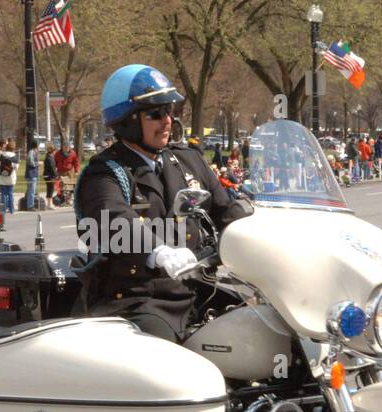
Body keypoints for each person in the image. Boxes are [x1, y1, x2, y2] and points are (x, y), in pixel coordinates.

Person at [75, 64, 253, 342]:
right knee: (171, 368)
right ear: (128, 121)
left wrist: (256, 226)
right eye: (155, 114)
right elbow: (116, 220)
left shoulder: (187, 160)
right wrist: (159, 251)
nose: (167, 120)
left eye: (169, 111)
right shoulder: (107, 172)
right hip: (139, 300)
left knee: (260, 328)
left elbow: (225, 208)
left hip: (197, 290)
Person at [0, 138, 17, 213]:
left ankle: (3, 209)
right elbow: (16, 167)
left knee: (3, 194)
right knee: (10, 194)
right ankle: (11, 209)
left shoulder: (2, 155)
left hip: (2, 177)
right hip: (11, 177)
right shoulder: (14, 156)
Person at [23, 137, 40, 210]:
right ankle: (30, 206)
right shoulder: (31, 152)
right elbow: (31, 163)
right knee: (31, 191)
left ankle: (30, 204)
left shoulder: (34, 152)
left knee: (32, 190)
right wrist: (38, 163)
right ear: (36, 145)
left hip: (34, 174)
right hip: (31, 174)